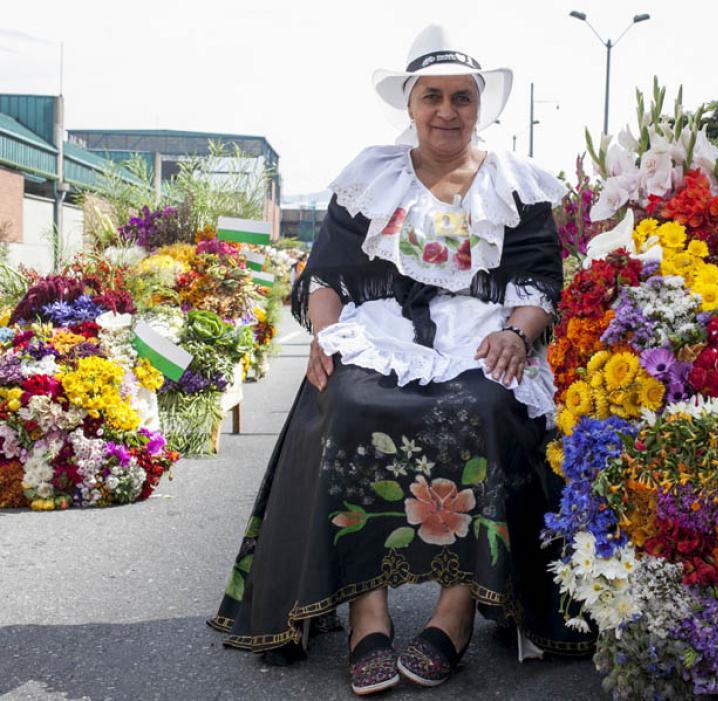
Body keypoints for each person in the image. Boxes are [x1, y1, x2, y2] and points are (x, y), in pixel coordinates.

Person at [209, 24, 590, 695]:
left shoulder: (517, 185)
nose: (448, 111)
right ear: (411, 106)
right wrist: (325, 337)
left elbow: (540, 283)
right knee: (352, 401)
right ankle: (367, 609)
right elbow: (325, 277)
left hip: (481, 331)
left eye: (462, 98)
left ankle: (458, 607)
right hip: (383, 330)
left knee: (490, 404)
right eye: (433, 97)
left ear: (481, 107)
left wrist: (519, 334)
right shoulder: (369, 177)